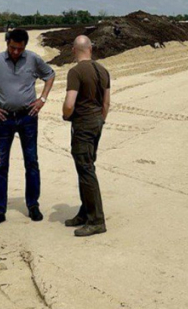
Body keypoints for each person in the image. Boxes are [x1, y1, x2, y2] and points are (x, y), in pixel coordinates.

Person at [0, 28, 55, 228]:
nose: (15, 52)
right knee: (0, 164)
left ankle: (33, 205)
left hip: (28, 117)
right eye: (12, 47)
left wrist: (42, 99)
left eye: (19, 49)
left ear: (25, 46)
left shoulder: (33, 59)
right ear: (7, 43)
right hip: (4, 119)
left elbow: (50, 75)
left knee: (31, 162)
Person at [62, 35, 110, 237]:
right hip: (97, 121)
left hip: (83, 124)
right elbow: (106, 103)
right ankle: (85, 211)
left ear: (74, 50)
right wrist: (101, 120)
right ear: (91, 48)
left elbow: (70, 103)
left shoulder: (75, 72)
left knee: (86, 170)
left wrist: (66, 115)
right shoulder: (103, 70)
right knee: (87, 166)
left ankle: (97, 219)